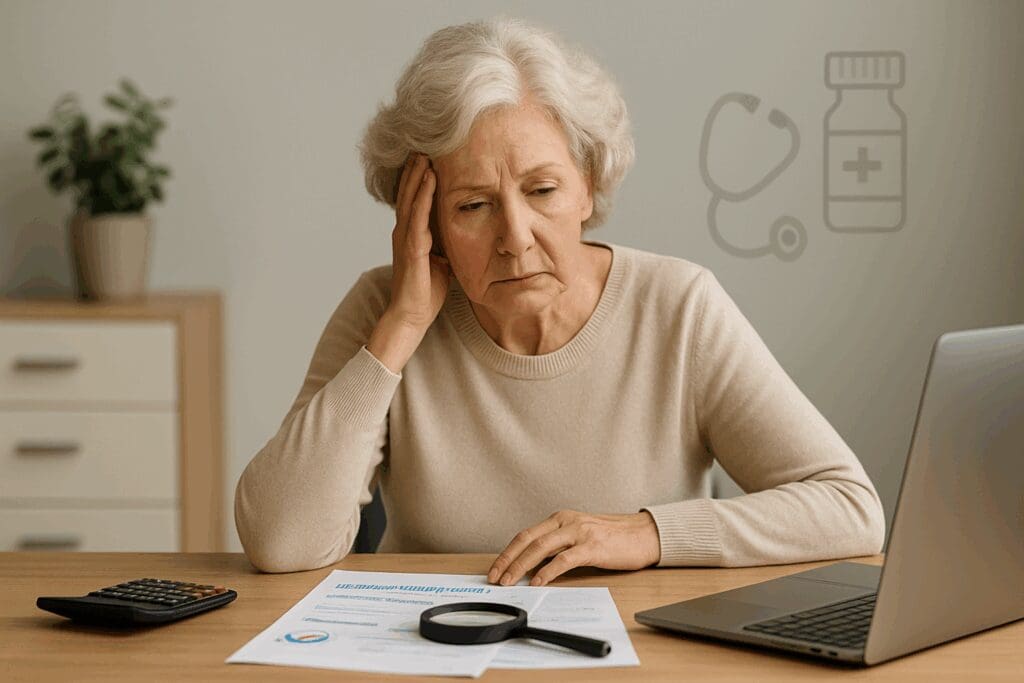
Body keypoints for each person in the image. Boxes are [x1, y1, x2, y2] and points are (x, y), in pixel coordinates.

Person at [234, 16, 885, 582]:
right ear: (424, 221)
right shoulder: (385, 307)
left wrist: (645, 533)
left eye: (541, 190)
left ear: (588, 185)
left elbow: (850, 507)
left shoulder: (677, 307)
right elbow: (281, 540)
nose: (514, 239)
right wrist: (400, 329)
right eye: (472, 205)